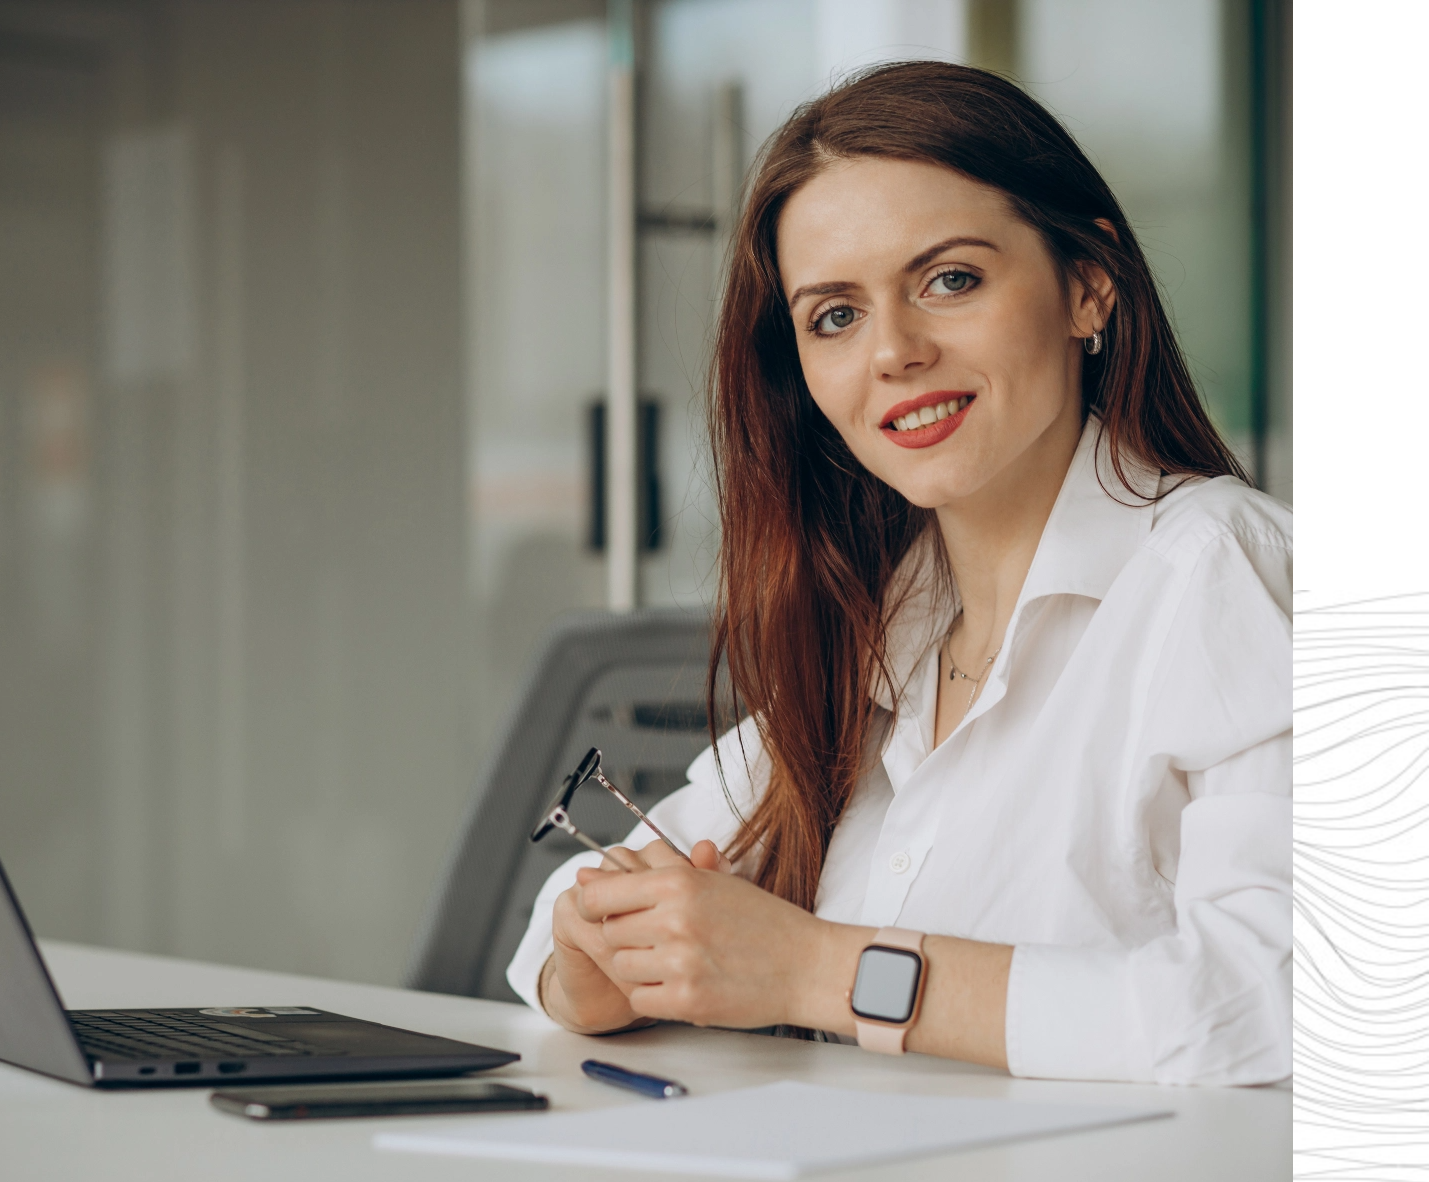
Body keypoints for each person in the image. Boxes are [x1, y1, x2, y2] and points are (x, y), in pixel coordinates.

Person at [506, 61, 1291, 1087]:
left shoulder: (1218, 565)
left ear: (1086, 284)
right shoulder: (884, 626)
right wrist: (598, 967)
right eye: (834, 315)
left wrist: (815, 972)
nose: (895, 352)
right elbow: (555, 925)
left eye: (949, 280)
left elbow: (1280, 999)